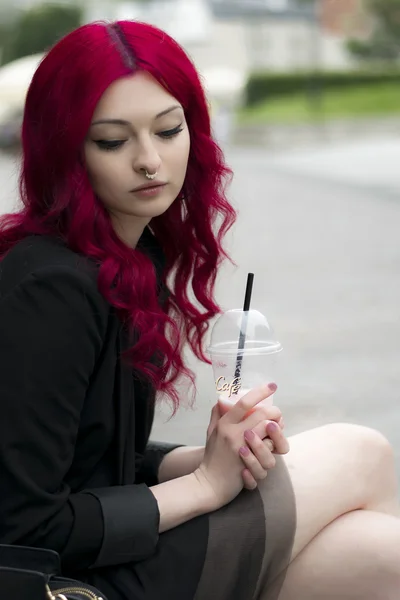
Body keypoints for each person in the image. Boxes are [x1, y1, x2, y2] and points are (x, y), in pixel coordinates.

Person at [0, 20, 399, 600]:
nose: (149, 161)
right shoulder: (49, 286)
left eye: (168, 130)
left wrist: (210, 455)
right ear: (66, 149)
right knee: (363, 451)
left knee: (379, 557)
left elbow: (98, 463)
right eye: (112, 140)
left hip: (106, 556)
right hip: (68, 583)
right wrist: (206, 486)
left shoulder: (129, 260)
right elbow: (25, 524)